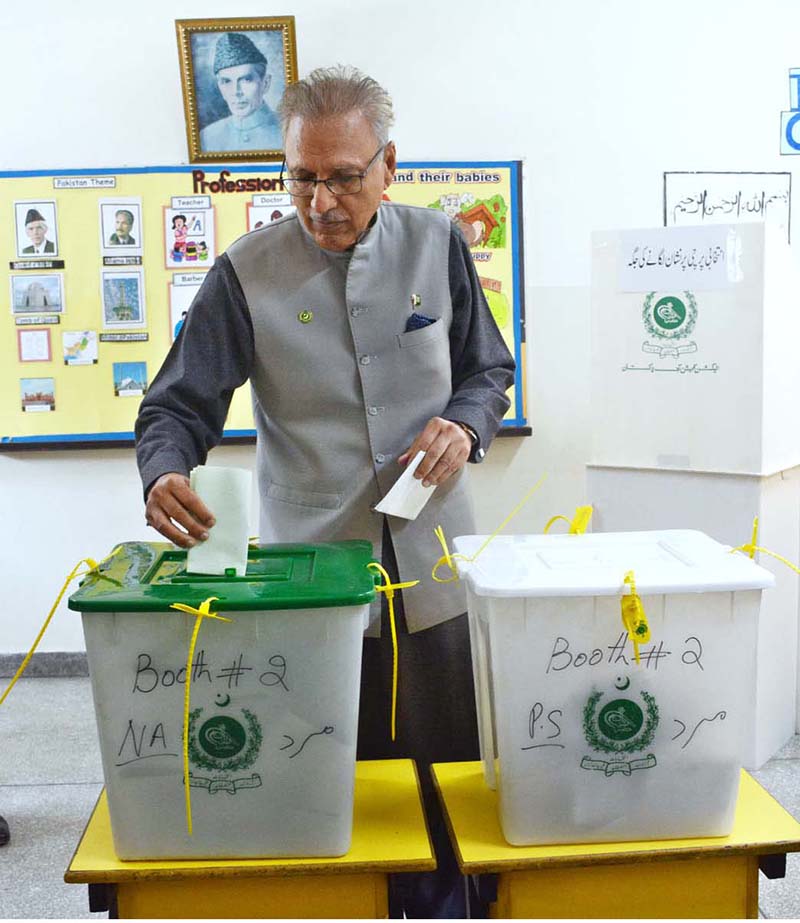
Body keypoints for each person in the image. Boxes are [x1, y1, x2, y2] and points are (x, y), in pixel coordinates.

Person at [136, 64, 515, 919]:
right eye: (302, 177)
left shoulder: (437, 244)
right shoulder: (244, 272)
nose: (322, 201)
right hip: (319, 575)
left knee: (457, 768)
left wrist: (465, 421)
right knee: (333, 768)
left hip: (436, 564)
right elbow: (177, 404)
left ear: (388, 165)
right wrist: (164, 469)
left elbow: (488, 369)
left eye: (345, 177)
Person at [199, 32, 281, 153]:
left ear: (266, 83)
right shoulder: (207, 137)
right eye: (226, 81)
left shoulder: (288, 130)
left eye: (246, 80)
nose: (236, 92)